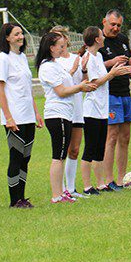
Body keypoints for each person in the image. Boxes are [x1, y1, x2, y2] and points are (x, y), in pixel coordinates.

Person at [36, 32, 96, 203]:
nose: (63, 49)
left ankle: (62, 192)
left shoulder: (54, 65)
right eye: (61, 46)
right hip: (57, 114)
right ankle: (57, 195)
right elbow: (61, 91)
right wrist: (80, 87)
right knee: (58, 156)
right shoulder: (47, 66)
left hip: (65, 114)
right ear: (51, 48)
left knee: (61, 156)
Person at [0, 23, 44, 208]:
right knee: (16, 157)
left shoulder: (22, 57)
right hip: (14, 117)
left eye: (21, 33)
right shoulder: (3, 59)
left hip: (28, 115)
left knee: (26, 158)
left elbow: (27, 89)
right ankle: (14, 200)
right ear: (7, 38)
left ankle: (22, 197)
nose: (20, 36)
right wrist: (8, 117)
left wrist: (36, 113)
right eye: (16, 34)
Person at [99, 9, 131, 191]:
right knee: (111, 136)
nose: (116, 28)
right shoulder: (98, 41)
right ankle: (108, 180)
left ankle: (121, 179)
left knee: (125, 137)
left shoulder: (122, 39)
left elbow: (130, 64)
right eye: (113, 24)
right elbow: (90, 66)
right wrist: (111, 63)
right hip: (108, 94)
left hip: (125, 94)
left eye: (119, 25)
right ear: (104, 22)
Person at [79, 26, 131, 195]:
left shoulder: (99, 56)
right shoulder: (87, 57)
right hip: (92, 110)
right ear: (96, 39)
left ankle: (101, 183)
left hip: (102, 109)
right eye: (101, 35)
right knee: (90, 148)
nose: (103, 37)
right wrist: (112, 74)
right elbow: (93, 84)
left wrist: (116, 72)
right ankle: (87, 186)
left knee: (100, 148)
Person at [49, 26, 87, 199]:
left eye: (61, 36)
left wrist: (83, 69)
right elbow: (62, 86)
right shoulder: (54, 62)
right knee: (62, 152)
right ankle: (62, 189)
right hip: (63, 110)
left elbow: (84, 82)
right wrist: (71, 71)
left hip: (77, 107)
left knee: (75, 149)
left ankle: (71, 188)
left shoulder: (75, 58)